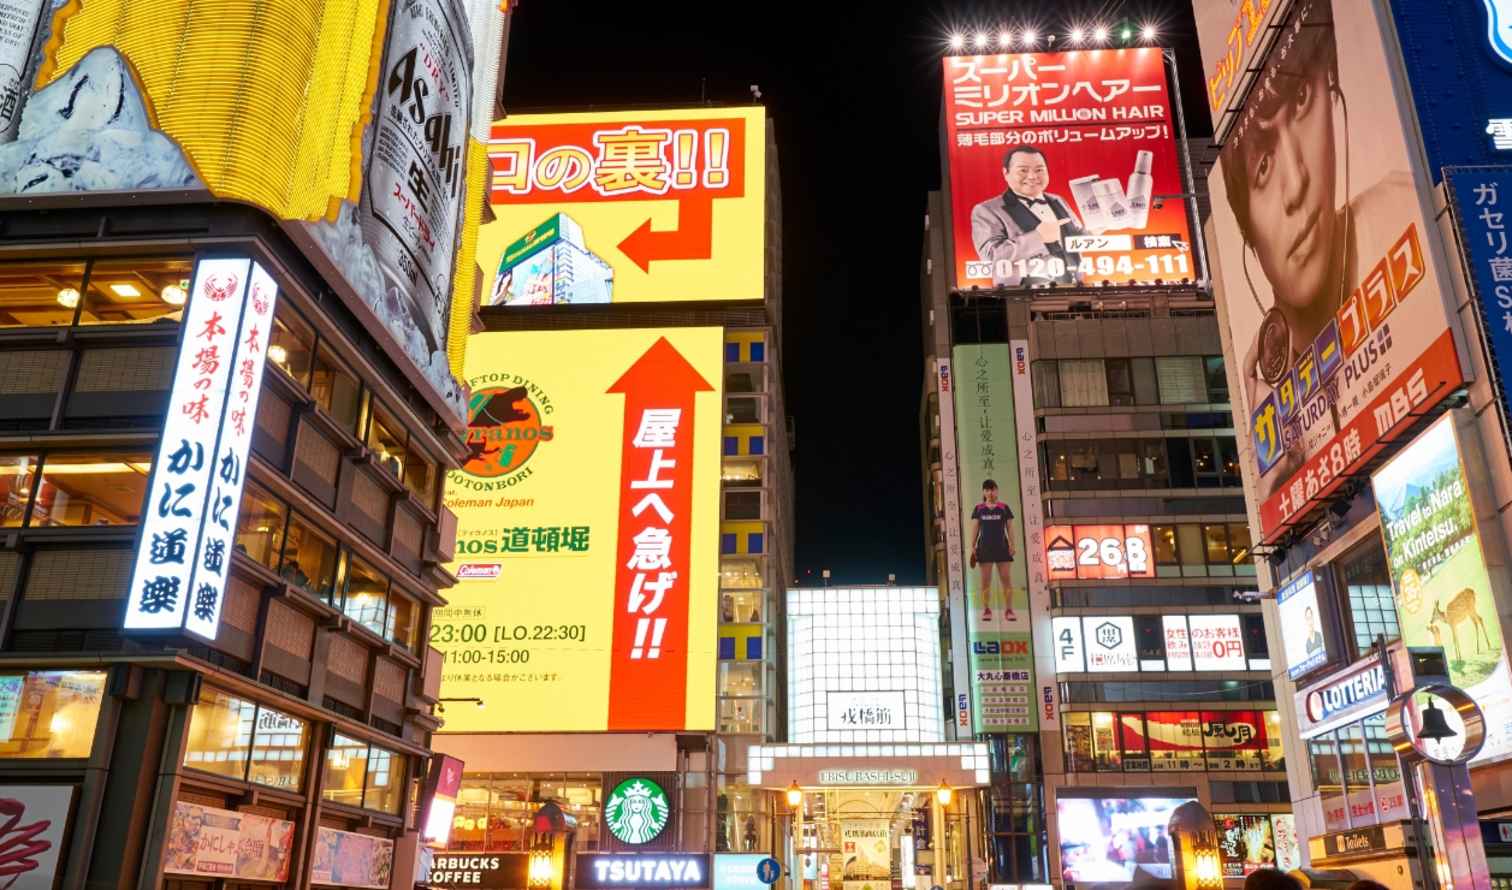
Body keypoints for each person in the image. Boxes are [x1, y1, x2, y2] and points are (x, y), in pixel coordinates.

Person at [1219, 0, 1418, 499]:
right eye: (1263, 166)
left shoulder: (1408, 214)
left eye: (1303, 99)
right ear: (1245, 228)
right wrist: (1276, 487)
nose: (1298, 183)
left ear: (1334, 95)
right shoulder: (1260, 376)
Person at [971, 146, 1088, 287]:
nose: (1032, 176)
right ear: (1006, 173)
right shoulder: (986, 210)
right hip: (1023, 295)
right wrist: (1039, 237)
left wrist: (1092, 232)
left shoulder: (1058, 200)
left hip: (1075, 287)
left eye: (1039, 170)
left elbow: (1073, 239)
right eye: (1023, 170)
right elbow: (990, 258)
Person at [969, 479, 1015, 622]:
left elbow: (1010, 527)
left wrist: (1012, 544)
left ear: (997, 490)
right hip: (984, 549)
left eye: (993, 489)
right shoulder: (979, 508)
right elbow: (975, 527)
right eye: (987, 490)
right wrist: (972, 545)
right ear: (984, 492)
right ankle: (986, 609)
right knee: (985, 582)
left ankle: (1009, 610)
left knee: (1006, 580)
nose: (990, 492)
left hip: (1002, 548)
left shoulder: (1004, 507)